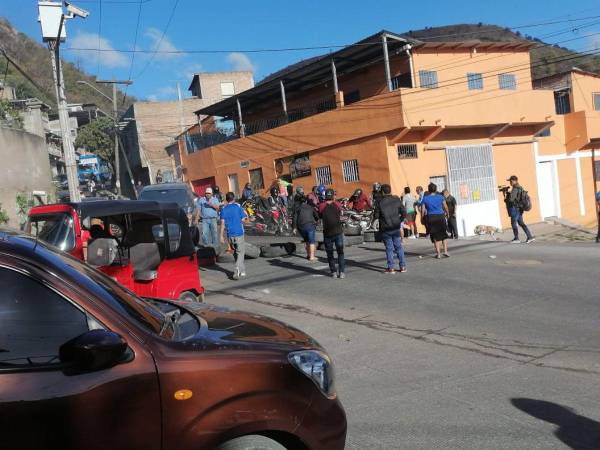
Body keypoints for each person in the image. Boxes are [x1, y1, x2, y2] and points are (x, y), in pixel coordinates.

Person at [378, 184, 407, 274]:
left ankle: (391, 268)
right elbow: (404, 212)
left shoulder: (379, 202)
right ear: (390, 191)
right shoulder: (396, 199)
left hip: (386, 228)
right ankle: (403, 266)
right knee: (398, 247)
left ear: (382, 192)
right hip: (395, 226)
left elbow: (376, 215)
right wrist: (400, 220)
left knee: (389, 248)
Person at [220, 192, 249, 280]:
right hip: (239, 233)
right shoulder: (238, 207)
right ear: (234, 198)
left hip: (230, 234)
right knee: (241, 252)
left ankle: (242, 270)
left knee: (236, 252)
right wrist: (247, 218)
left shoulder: (223, 209)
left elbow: (222, 223)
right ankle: (237, 268)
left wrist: (221, 235)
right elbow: (244, 219)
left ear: (226, 199)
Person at [318, 188, 346, 278]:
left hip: (327, 233)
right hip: (338, 232)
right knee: (340, 252)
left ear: (325, 196)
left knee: (330, 254)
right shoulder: (337, 204)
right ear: (333, 196)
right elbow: (341, 211)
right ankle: (341, 272)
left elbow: (319, 215)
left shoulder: (321, 206)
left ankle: (333, 272)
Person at [421, 183, 450, 259]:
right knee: (443, 234)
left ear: (428, 189)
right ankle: (446, 251)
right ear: (436, 189)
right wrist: (447, 214)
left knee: (435, 236)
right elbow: (446, 207)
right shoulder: (441, 197)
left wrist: (422, 218)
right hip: (440, 216)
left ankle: (438, 254)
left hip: (431, 217)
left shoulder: (425, 198)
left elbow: (423, 210)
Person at [504, 175, 535, 244]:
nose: (510, 183)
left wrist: (507, 196)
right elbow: (517, 198)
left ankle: (516, 238)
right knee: (521, 223)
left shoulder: (515, 189)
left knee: (513, 223)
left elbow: (511, 200)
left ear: (514, 181)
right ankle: (530, 237)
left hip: (515, 209)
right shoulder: (520, 187)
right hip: (519, 209)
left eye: (511, 181)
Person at [293, 194, 319, 261]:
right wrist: (316, 221)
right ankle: (312, 256)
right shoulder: (311, 207)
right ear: (306, 201)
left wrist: (294, 228)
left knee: (307, 240)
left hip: (301, 227)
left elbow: (295, 218)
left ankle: (308, 255)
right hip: (310, 225)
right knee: (311, 241)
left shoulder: (297, 208)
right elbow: (317, 216)